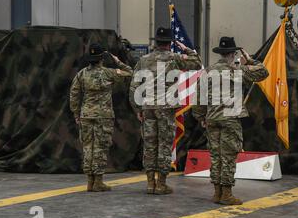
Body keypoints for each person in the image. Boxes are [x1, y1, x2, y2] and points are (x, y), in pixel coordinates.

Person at [193, 37, 269, 205]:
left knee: (215, 156)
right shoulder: (239, 70)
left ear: (220, 53)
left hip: (212, 118)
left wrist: (200, 117)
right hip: (230, 119)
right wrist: (249, 60)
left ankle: (217, 193)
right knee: (228, 156)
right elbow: (263, 72)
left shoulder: (208, 72)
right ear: (234, 54)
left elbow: (198, 98)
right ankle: (226, 194)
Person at [129, 27, 202, 195]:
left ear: (156, 42)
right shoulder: (175, 58)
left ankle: (149, 183)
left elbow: (134, 86)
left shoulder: (143, 60)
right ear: (170, 43)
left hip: (147, 107)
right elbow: (197, 63)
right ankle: (161, 184)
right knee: (164, 144)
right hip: (166, 108)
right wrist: (186, 49)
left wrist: (137, 108)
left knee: (149, 144)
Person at [69, 43, 133, 192]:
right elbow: (129, 72)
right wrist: (117, 60)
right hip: (104, 116)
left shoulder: (82, 74)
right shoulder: (108, 73)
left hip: (86, 115)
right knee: (100, 147)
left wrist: (76, 113)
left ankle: (89, 181)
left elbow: (74, 94)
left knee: (87, 147)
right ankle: (98, 181)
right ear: (101, 59)